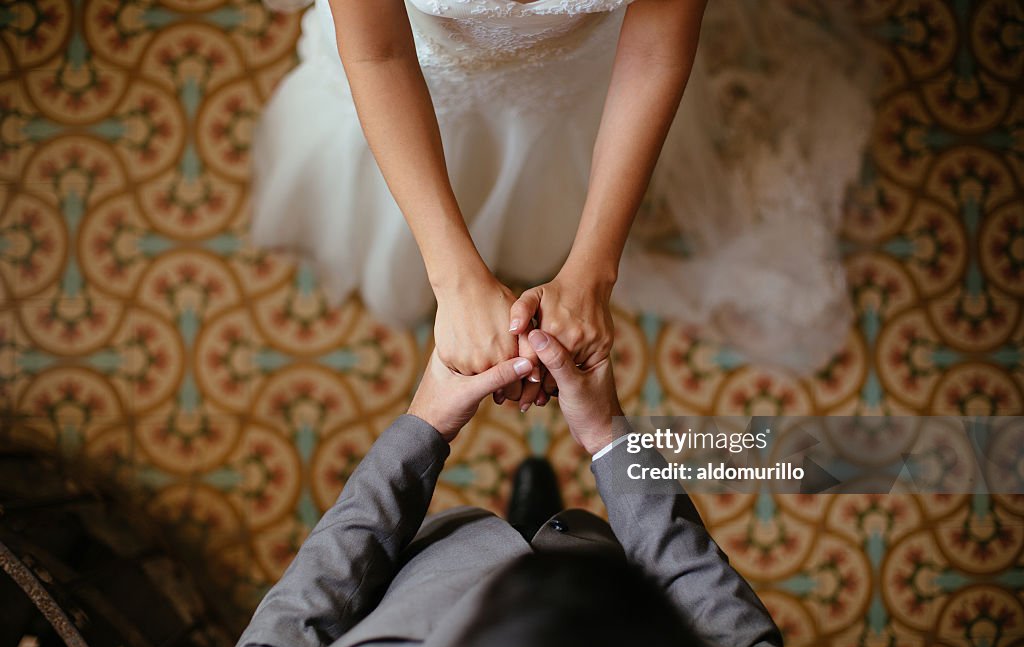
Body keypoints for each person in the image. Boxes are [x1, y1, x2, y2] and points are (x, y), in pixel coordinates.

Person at [250, 0, 876, 394]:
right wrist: (455, 282)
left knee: (549, 179)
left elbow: (656, 54)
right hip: (418, 71)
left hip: (576, 81)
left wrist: (590, 274)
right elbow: (379, 52)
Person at [222, 329, 804, 647]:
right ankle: (548, 521)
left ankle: (529, 519)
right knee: (573, 530)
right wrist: (607, 437)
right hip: (598, 556)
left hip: (443, 565)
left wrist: (425, 423)